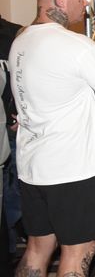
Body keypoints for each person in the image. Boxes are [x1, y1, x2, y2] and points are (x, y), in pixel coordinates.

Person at [9, 0, 95, 276]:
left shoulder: (20, 40)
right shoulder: (77, 46)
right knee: (78, 252)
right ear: (60, 0)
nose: (86, 3)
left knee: (37, 248)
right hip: (72, 169)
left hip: (33, 167)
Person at [0, 16, 21, 274]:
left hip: (11, 130)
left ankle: (10, 250)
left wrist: (17, 111)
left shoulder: (16, 34)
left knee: (12, 197)